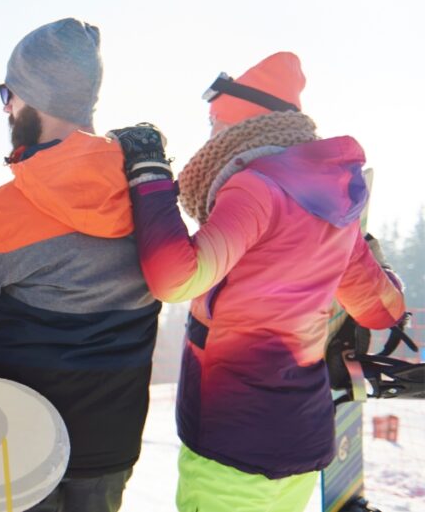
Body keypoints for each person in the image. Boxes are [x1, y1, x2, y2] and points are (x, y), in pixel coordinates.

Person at [117, 52, 407, 512]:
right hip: (300, 440)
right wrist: (379, 262)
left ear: (240, 124)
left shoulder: (256, 187)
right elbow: (379, 309)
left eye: (214, 123)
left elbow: (177, 279)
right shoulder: (334, 205)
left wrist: (149, 176)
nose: (209, 135)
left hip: (231, 443)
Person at [0, 19, 161, 512]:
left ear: (36, 95)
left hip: (20, 444)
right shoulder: (146, 196)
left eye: (9, 91)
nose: (5, 105)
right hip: (114, 442)